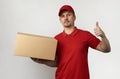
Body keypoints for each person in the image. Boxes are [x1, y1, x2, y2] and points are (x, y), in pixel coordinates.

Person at [31, 5, 111, 79]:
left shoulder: (85, 35)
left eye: (69, 15)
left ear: (74, 17)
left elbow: (106, 49)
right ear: (60, 20)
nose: (65, 18)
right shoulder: (56, 39)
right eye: (63, 16)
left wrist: (103, 36)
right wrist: (41, 61)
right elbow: (56, 63)